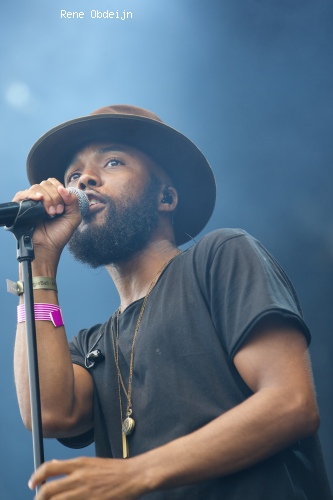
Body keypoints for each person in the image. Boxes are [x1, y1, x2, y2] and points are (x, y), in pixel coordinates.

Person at [13, 105, 331, 499]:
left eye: (112, 162)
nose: (84, 180)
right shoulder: (91, 346)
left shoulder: (220, 256)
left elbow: (291, 403)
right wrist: (39, 262)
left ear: (166, 196)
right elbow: (49, 414)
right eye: (73, 175)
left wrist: (136, 474)